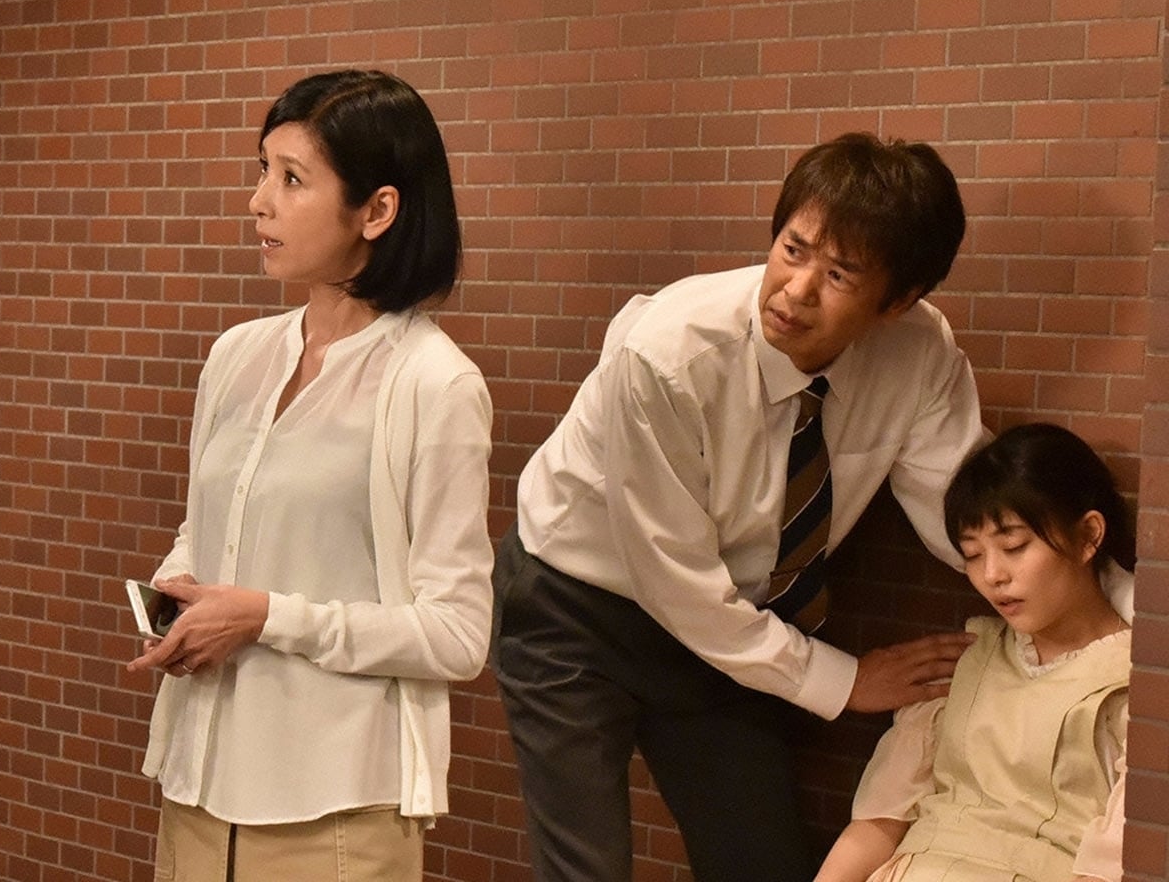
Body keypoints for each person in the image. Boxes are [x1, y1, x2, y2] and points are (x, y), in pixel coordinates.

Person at [492, 133, 992, 882]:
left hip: (730, 623)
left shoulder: (918, 354)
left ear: (898, 301)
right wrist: (846, 681)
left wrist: (1109, 609)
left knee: (762, 863)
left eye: (839, 274)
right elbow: (674, 579)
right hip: (573, 606)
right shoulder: (667, 354)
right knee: (586, 869)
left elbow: (967, 509)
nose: (796, 290)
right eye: (792, 250)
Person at [128, 70, 494, 882]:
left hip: (337, 809)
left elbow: (458, 633)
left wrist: (267, 618)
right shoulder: (237, 355)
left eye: (292, 179)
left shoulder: (435, 384)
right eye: (262, 170)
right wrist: (177, 597)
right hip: (196, 784)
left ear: (377, 211)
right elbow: (205, 528)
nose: (259, 201)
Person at [816, 422, 1132, 882]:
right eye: (972, 554)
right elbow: (876, 824)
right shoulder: (965, 660)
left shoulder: (1132, 685)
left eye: (1013, 546)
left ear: (1088, 536)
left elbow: (1112, 868)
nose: (992, 575)